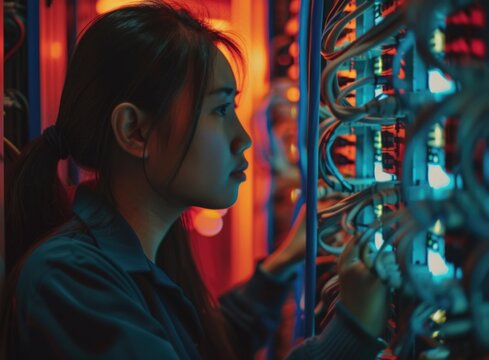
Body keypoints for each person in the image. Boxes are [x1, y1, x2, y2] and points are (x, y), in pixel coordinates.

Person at [0, 2, 400, 359]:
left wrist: (283, 262)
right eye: (220, 109)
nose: (242, 138)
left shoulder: (136, 251)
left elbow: (204, 346)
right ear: (134, 131)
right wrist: (351, 331)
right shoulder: (67, 280)